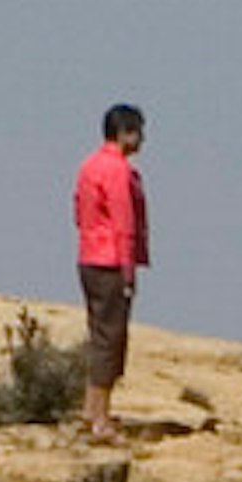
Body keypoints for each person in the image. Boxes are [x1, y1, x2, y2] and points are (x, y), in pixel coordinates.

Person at [71, 102, 149, 442]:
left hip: (89, 256)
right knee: (110, 338)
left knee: (99, 333)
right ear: (125, 133)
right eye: (138, 131)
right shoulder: (117, 170)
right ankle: (100, 418)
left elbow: (77, 208)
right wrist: (129, 271)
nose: (142, 138)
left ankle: (92, 409)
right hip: (110, 260)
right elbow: (124, 222)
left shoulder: (89, 165)